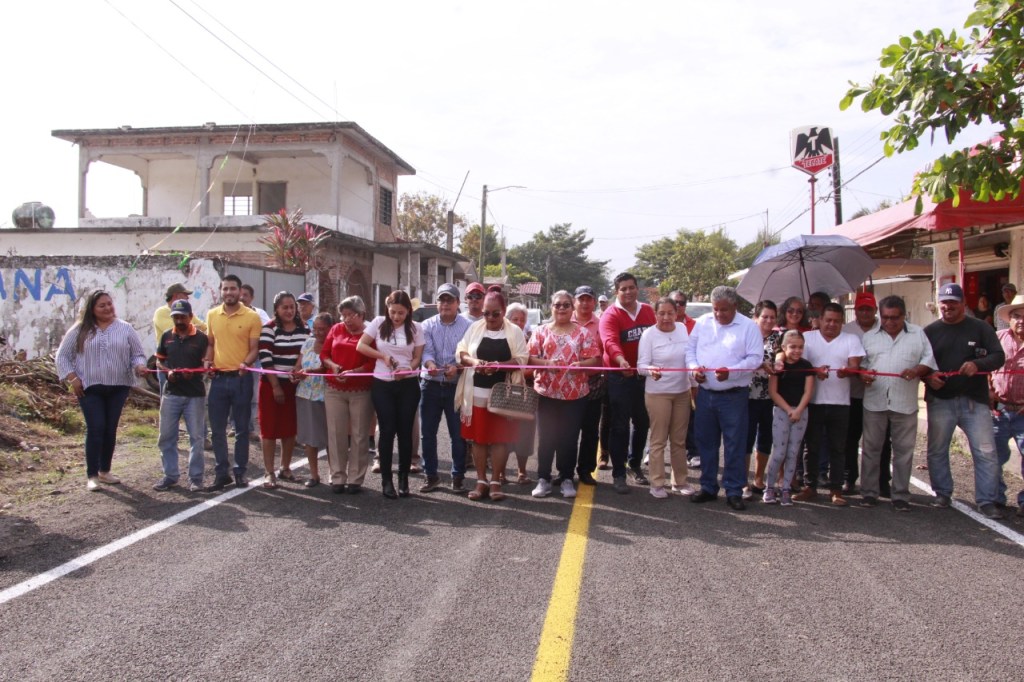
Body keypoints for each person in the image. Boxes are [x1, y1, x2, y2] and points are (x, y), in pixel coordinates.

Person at [924, 283, 1006, 519]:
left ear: (963, 304)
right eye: (944, 302)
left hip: (974, 401)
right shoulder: (929, 332)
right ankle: (942, 493)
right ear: (939, 304)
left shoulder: (981, 328)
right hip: (940, 400)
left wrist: (978, 365)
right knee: (937, 450)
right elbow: (919, 362)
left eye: (953, 302)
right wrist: (928, 377)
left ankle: (987, 500)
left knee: (986, 452)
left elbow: (998, 356)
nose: (948, 306)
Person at [56, 290, 148, 491]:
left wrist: (139, 366)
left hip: (118, 386)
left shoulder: (125, 328)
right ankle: (92, 475)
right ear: (92, 309)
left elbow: (137, 354)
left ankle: (105, 471)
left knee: (110, 428)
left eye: (109, 304)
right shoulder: (80, 330)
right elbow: (62, 356)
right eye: (102, 305)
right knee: (96, 427)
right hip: (90, 388)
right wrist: (73, 378)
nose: (108, 308)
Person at [685, 285, 763, 510]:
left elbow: (755, 358)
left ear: (735, 306)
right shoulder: (703, 322)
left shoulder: (748, 327)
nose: (719, 314)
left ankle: (734, 490)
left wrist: (732, 371)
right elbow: (690, 352)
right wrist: (694, 370)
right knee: (705, 443)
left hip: (734, 397)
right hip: (706, 394)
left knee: (734, 444)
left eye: (724, 310)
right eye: (716, 309)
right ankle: (708, 487)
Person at [859, 296, 936, 510]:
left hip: (905, 402)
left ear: (904, 316)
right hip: (875, 401)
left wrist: (916, 370)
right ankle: (869, 493)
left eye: (894, 318)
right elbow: (861, 364)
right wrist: (864, 375)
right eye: (885, 317)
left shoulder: (918, 334)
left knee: (904, 451)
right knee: (871, 449)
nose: (889, 322)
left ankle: (900, 495)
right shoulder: (869, 337)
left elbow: (928, 360)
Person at [456, 290, 529, 501]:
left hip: (503, 394)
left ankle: (496, 481)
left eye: (495, 313)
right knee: (478, 439)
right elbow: (461, 352)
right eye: (486, 313)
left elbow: (522, 359)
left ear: (504, 311)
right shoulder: (474, 328)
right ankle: (481, 481)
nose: (490, 318)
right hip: (476, 392)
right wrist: (474, 362)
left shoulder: (514, 331)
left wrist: (498, 366)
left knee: (499, 439)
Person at [529, 290, 601, 499]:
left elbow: (595, 358)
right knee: (546, 438)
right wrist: (546, 363)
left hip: (575, 396)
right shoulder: (540, 331)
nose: (561, 308)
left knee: (569, 438)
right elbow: (529, 358)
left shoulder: (583, 333)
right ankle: (543, 478)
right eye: (557, 305)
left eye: (566, 305)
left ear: (572, 308)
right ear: (551, 308)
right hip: (546, 393)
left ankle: (567, 478)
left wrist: (581, 365)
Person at [793, 302, 864, 506]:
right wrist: (815, 371)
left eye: (836, 321)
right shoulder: (807, 338)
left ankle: (836, 489)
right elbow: (799, 365)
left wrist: (847, 372)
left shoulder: (851, 339)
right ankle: (810, 486)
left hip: (840, 403)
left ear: (842, 322)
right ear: (820, 320)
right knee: (811, 447)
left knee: (838, 448)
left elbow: (855, 366)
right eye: (828, 320)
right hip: (813, 401)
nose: (832, 324)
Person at [358, 290, 425, 499]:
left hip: (408, 384)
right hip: (382, 384)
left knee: (405, 432)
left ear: (408, 312)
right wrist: (383, 356)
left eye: (401, 313)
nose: (396, 316)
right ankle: (386, 480)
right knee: (387, 431)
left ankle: (403, 479)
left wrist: (408, 369)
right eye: (393, 312)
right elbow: (361, 346)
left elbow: (417, 358)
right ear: (387, 309)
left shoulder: (416, 328)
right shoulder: (378, 323)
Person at [599, 272, 656, 493]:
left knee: (642, 423)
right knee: (620, 426)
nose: (628, 292)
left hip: (644, 377)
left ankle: (635, 465)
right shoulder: (610, 315)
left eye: (631, 287)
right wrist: (621, 360)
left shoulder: (648, 311)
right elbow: (610, 342)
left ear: (637, 288)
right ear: (616, 292)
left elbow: (658, 338)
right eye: (623, 289)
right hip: (619, 377)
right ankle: (619, 473)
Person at [204, 274, 262, 490]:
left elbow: (254, 348)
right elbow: (211, 344)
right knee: (217, 430)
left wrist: (245, 363)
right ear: (221, 291)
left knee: (241, 430)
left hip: (241, 380)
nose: (229, 292)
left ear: (240, 291)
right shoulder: (212, 315)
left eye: (233, 289)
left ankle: (240, 472)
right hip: (218, 379)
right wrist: (208, 361)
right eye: (225, 289)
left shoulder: (252, 317)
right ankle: (221, 473)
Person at [638, 296, 694, 498]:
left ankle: (680, 482)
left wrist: (694, 384)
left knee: (679, 441)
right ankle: (657, 483)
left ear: (677, 313)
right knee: (658, 440)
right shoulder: (648, 335)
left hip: (682, 392)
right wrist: (651, 370)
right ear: (655, 315)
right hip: (658, 394)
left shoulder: (683, 329)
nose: (666, 317)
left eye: (670, 313)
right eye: (661, 313)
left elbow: (690, 358)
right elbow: (641, 366)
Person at [419, 283, 472, 493]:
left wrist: (457, 368)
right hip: (430, 385)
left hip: (455, 386)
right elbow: (426, 351)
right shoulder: (427, 325)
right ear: (437, 302)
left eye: (450, 300)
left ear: (458, 303)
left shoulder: (468, 326)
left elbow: (468, 354)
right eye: (442, 300)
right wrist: (430, 364)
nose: (446, 304)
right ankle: (430, 475)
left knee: (457, 435)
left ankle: (458, 477)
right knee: (427, 434)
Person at [321, 296, 374, 494]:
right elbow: (324, 354)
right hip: (334, 388)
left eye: (351, 315)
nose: (347, 319)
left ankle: (355, 478)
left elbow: (373, 362)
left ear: (361, 314)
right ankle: (337, 476)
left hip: (361, 389)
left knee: (360, 435)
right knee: (336, 433)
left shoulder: (370, 333)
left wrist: (354, 372)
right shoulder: (336, 329)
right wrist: (334, 366)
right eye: (343, 315)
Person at [153, 300, 208, 492]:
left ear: (190, 317)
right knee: (166, 437)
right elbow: (159, 361)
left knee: (196, 438)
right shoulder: (167, 336)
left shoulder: (202, 339)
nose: (179, 320)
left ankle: (196, 479)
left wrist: (195, 372)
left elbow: (207, 365)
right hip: (171, 393)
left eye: (183, 317)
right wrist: (168, 371)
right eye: (176, 317)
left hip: (195, 395)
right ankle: (170, 476)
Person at [256, 292, 308, 489]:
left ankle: (285, 468)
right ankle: (269, 472)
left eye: (292, 307)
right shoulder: (269, 328)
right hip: (271, 385)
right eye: (284, 307)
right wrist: (276, 386)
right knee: (269, 429)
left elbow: (306, 352)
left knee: (289, 429)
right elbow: (265, 357)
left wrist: (298, 368)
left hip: (294, 385)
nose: (289, 311)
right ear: (276, 309)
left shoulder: (304, 329)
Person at [842, 292, 889, 495]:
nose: (864, 313)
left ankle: (882, 480)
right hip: (853, 394)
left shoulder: (885, 328)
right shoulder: (846, 330)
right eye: (861, 309)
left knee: (882, 440)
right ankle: (849, 478)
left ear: (875, 310)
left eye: (868, 309)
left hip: (880, 393)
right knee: (850, 439)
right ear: (855, 310)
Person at [763, 330, 815, 506]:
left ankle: (786, 488)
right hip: (781, 411)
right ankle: (769, 487)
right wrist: (788, 409)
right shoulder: (778, 366)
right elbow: (773, 392)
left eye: (800, 347)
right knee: (779, 453)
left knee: (793, 452)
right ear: (784, 347)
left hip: (801, 412)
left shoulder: (807, 365)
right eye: (793, 347)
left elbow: (808, 391)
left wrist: (799, 410)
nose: (797, 351)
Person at [990, 293, 1024, 517]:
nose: (1021, 321)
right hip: (999, 410)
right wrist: (988, 391)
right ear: (1009, 319)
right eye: (1017, 316)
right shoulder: (997, 339)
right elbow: (984, 366)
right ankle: (995, 498)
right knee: (992, 458)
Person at [744, 300, 780, 499]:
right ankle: (743, 481)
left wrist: (779, 363)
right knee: (746, 437)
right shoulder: (747, 335)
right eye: (764, 316)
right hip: (747, 395)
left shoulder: (778, 338)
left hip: (770, 396)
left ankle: (759, 479)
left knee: (766, 438)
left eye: (772, 317)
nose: (768, 320)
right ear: (756, 317)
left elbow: (783, 357)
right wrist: (758, 364)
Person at [293, 311, 333, 488]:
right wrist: (296, 374)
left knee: (331, 436)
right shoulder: (308, 343)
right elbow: (298, 365)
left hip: (328, 395)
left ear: (330, 329)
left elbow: (328, 369)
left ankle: (334, 473)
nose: (318, 332)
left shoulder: (334, 344)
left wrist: (310, 372)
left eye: (322, 329)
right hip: (306, 394)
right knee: (309, 437)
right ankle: (314, 474)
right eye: (315, 329)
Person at [571, 285, 604, 485]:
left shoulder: (601, 324)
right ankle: (565, 471)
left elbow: (603, 353)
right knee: (567, 430)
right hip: (568, 383)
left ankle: (585, 470)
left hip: (593, 383)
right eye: (581, 299)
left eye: (588, 299)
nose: (584, 303)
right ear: (574, 301)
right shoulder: (564, 320)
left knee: (590, 430)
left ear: (594, 302)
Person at [152, 283, 207, 394]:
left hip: (189, 359)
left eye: (183, 317)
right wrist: (193, 326)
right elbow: (177, 329)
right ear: (176, 296)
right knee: (168, 395)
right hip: (168, 361)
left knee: (192, 394)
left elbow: (204, 327)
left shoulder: (187, 311)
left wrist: (193, 326)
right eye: (185, 295)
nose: (187, 298)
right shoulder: (161, 312)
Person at [506, 302, 536, 485]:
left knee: (525, 433)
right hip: (503, 391)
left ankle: (522, 471)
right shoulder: (501, 338)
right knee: (502, 433)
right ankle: (500, 473)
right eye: (514, 319)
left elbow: (533, 365)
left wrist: (523, 372)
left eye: (522, 320)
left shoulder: (530, 339)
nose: (518, 323)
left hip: (526, 392)